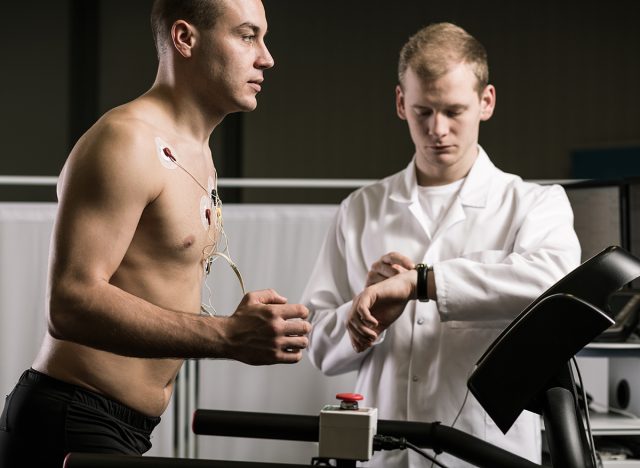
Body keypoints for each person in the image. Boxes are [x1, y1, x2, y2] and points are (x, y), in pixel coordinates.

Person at [0, 1, 311, 467]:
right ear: (185, 39)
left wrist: (237, 326)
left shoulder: (196, 151)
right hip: (69, 419)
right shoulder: (125, 141)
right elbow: (69, 302)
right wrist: (226, 335)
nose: (266, 57)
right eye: (247, 36)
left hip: (122, 425)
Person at [302, 22, 580, 467]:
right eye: (423, 111)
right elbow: (319, 346)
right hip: (383, 453)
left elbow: (554, 284)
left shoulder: (533, 204)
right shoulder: (360, 209)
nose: (438, 129)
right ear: (400, 103)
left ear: (486, 102)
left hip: (486, 454)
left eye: (454, 110)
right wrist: (363, 321)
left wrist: (421, 283)